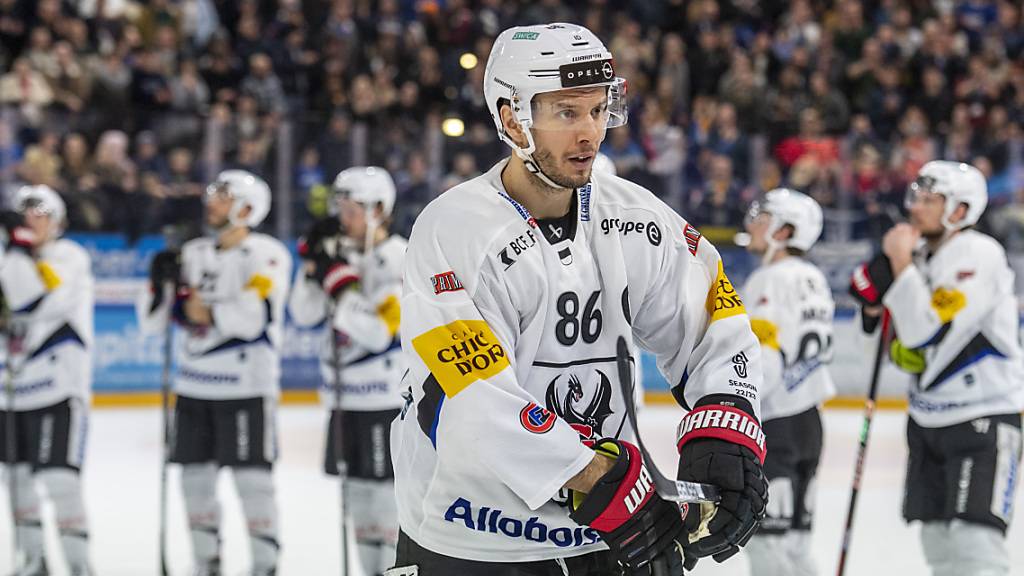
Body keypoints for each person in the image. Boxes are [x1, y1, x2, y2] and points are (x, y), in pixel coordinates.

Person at [388, 23, 767, 576]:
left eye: (597, 110)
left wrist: (726, 422)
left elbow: (712, 316)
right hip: (474, 539)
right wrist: (603, 482)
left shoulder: (633, 216)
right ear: (513, 117)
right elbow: (472, 399)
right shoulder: (455, 231)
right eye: (567, 113)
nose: (590, 133)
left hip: (602, 534)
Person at [850, 160, 1024, 576]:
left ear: (960, 210)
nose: (916, 208)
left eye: (930, 200)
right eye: (918, 197)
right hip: (927, 421)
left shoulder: (978, 255)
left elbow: (926, 331)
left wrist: (900, 267)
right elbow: (879, 351)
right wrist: (874, 308)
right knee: (938, 544)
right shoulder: (921, 256)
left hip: (982, 418)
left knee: (976, 547)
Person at [136, 170, 291, 576]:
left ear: (247, 207)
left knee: (253, 484)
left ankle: (265, 564)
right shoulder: (193, 253)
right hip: (192, 388)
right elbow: (153, 322)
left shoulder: (268, 254)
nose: (211, 201)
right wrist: (157, 284)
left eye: (223, 195)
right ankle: (206, 563)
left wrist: (194, 308)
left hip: (246, 388)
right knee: (194, 483)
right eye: (213, 193)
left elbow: (249, 317)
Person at [288, 166, 406, 575]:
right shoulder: (340, 252)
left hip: (385, 400)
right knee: (355, 494)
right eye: (340, 207)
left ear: (379, 209)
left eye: (351, 208)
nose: (343, 216)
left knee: (385, 498)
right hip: (344, 399)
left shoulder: (401, 257)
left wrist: (337, 281)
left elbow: (379, 332)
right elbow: (303, 315)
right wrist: (312, 269)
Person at [737, 189, 835, 576]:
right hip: (809, 422)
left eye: (764, 216)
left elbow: (766, 355)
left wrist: (739, 406)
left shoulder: (768, 279)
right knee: (795, 547)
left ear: (785, 230)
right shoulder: (814, 279)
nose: (754, 222)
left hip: (775, 425)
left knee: (767, 548)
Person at [0, 185, 93, 576]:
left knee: (59, 480)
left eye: (41, 213)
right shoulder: (7, 260)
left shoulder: (70, 257)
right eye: (24, 213)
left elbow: (31, 298)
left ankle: (78, 566)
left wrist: (17, 251)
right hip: (12, 392)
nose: (31, 220)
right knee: (18, 482)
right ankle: (32, 561)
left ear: (58, 221)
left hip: (58, 388)